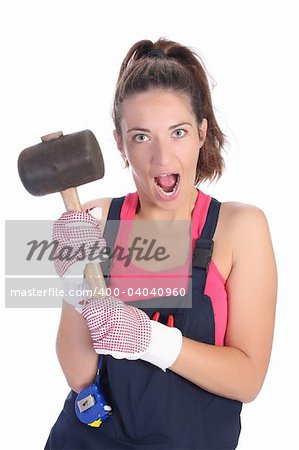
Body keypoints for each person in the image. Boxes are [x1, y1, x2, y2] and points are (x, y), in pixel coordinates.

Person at [44, 38, 277, 450]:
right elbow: (81, 376)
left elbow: (248, 379)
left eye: (178, 132)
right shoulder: (97, 221)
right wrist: (75, 288)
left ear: (202, 133)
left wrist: (148, 340)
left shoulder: (239, 228)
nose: (162, 157)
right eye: (141, 137)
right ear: (119, 143)